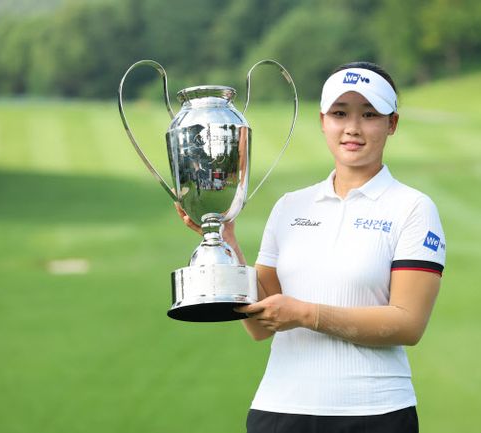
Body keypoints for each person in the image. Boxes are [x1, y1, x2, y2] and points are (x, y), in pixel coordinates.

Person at [176, 61, 446, 433]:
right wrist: (228, 240)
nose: (352, 127)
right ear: (322, 121)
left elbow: (408, 324)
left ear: (392, 123)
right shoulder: (290, 206)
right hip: (279, 410)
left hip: (374, 414)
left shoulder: (412, 208)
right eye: (340, 113)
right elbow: (260, 326)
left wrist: (306, 314)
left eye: (369, 114)